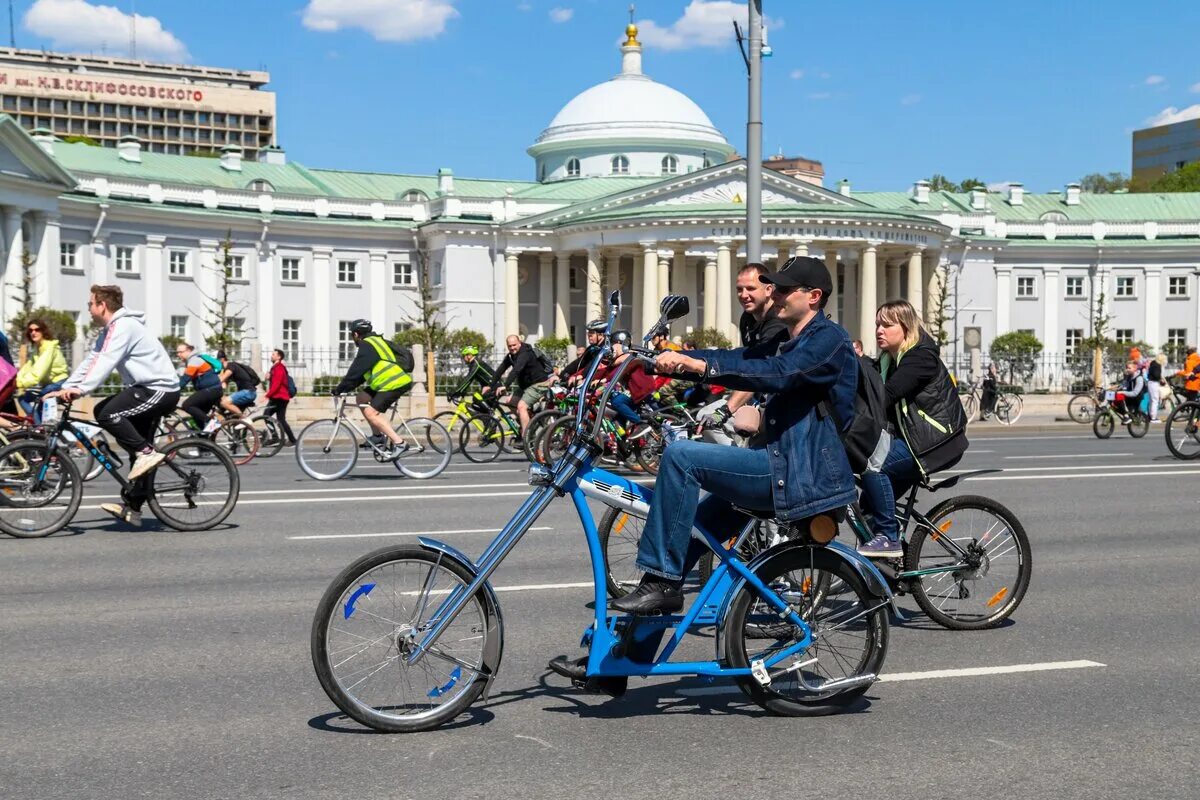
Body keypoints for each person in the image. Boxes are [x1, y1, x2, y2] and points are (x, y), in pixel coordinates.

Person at [609, 256, 858, 614]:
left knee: (682, 457)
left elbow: (780, 373)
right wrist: (672, 360)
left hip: (798, 472)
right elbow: (737, 357)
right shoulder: (790, 340)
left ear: (814, 296)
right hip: (780, 462)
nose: (776, 295)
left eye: (785, 289)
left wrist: (702, 366)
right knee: (691, 534)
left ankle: (662, 584)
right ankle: (616, 662)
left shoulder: (828, 341)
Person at [45, 284, 180, 526]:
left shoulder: (124, 326)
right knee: (133, 447)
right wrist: (66, 386)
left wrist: (82, 389)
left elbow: (106, 362)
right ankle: (134, 508)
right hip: (143, 389)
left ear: (102, 305)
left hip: (160, 389)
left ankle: (147, 453)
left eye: (90, 305)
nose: (89, 310)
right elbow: (92, 360)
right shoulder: (110, 330)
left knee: (106, 413)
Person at [857, 300, 968, 558]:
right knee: (868, 504)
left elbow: (886, 395)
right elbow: (867, 384)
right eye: (877, 325)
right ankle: (890, 571)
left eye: (887, 325)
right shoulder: (889, 361)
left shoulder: (920, 358)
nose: (879, 330)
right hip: (914, 439)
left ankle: (889, 537)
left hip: (936, 441)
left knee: (875, 466)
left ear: (905, 328)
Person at [332, 319, 413, 461]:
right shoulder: (375, 342)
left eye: (352, 336)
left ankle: (399, 443)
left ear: (356, 334)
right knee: (361, 398)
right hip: (385, 383)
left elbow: (356, 370)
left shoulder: (367, 345)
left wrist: (340, 388)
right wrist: (346, 388)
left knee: (371, 412)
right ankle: (378, 437)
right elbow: (361, 375)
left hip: (395, 382)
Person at [489, 334, 553, 436]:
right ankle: (530, 420)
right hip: (526, 386)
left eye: (514, 345)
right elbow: (500, 370)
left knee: (521, 406)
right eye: (510, 346)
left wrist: (506, 385)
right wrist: (490, 386)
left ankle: (526, 437)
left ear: (520, 343)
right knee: (509, 401)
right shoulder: (511, 356)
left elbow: (516, 370)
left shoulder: (525, 353)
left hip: (539, 384)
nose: (512, 348)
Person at [16, 317, 69, 424]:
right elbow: (27, 368)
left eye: (37, 330)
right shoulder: (37, 349)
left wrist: (18, 383)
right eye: (30, 330)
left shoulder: (49, 348)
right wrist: (15, 380)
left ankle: (38, 428)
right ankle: (37, 424)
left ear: (43, 331)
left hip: (58, 383)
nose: (33, 332)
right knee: (22, 398)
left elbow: (37, 373)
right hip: (48, 385)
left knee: (39, 400)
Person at [175, 342, 224, 431]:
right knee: (198, 417)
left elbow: (185, 379)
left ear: (189, 350)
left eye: (180, 352)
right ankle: (204, 440)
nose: (178, 354)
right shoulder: (191, 361)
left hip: (212, 390)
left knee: (187, 405)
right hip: (210, 390)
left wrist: (174, 390)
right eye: (177, 352)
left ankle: (212, 423)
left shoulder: (194, 360)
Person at [263, 348, 296, 446]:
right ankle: (291, 439)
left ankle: (276, 438)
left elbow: (277, 384)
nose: (271, 356)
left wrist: (266, 395)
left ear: (279, 357)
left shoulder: (279, 368)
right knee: (278, 419)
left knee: (267, 415)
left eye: (273, 354)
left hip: (280, 398)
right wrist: (268, 378)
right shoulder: (275, 368)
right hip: (278, 397)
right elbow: (275, 383)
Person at [217, 350, 259, 418]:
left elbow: (222, 379)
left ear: (222, 359)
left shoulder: (230, 366)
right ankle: (236, 423)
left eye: (217, 361)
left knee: (224, 403)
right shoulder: (226, 369)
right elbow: (224, 385)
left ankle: (244, 419)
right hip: (246, 392)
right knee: (224, 406)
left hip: (248, 392)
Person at [1147, 353, 1164, 422]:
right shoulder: (1157, 365)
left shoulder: (1153, 363)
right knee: (1155, 400)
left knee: (1152, 400)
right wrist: (1161, 379)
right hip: (1154, 383)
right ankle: (1153, 418)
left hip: (1150, 382)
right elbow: (1156, 375)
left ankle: (1151, 416)